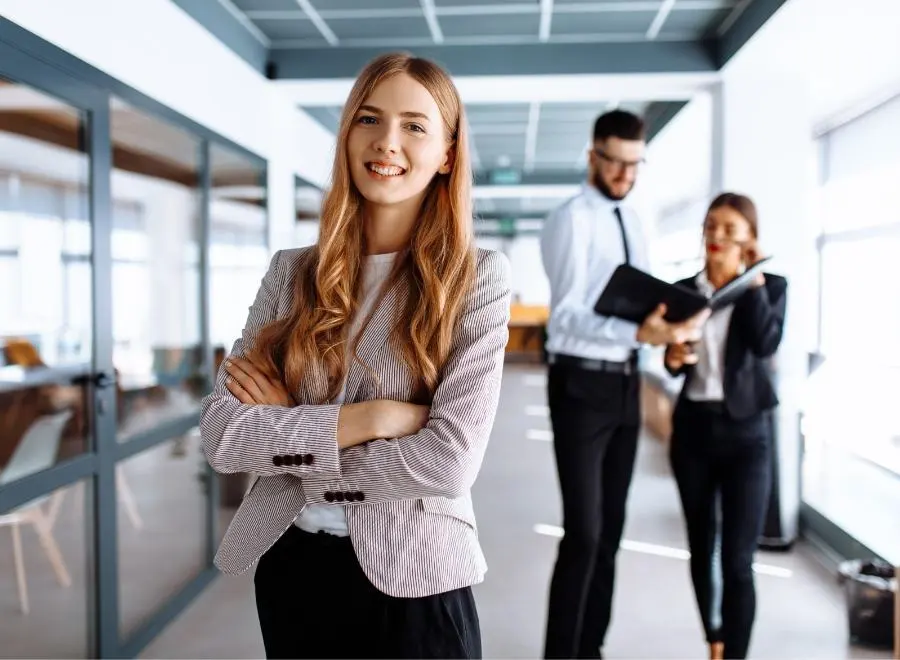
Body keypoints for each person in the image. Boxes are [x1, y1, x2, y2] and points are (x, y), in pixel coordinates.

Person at [199, 52, 511, 660]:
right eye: (369, 119)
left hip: (416, 579)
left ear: (447, 153)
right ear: (347, 134)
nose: (386, 142)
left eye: (414, 125)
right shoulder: (291, 274)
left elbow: (448, 462)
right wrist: (372, 420)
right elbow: (222, 435)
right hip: (293, 569)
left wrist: (291, 446)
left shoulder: (475, 281)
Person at [540, 109, 709, 659]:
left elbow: (638, 303)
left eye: (635, 164)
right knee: (584, 533)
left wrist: (663, 334)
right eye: (616, 162)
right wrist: (637, 328)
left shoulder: (636, 220)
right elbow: (563, 316)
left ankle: (591, 648)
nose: (625, 175)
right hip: (579, 386)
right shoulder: (571, 219)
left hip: (626, 384)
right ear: (594, 156)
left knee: (611, 532)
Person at [664, 193, 788, 660]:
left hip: (747, 436)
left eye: (730, 229)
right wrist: (673, 356)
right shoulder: (681, 289)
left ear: (750, 240)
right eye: (712, 225)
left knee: (739, 560)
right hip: (694, 431)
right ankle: (714, 636)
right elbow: (675, 363)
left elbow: (765, 342)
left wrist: (751, 284)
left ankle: (734, 653)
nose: (717, 235)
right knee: (701, 547)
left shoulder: (771, 286)